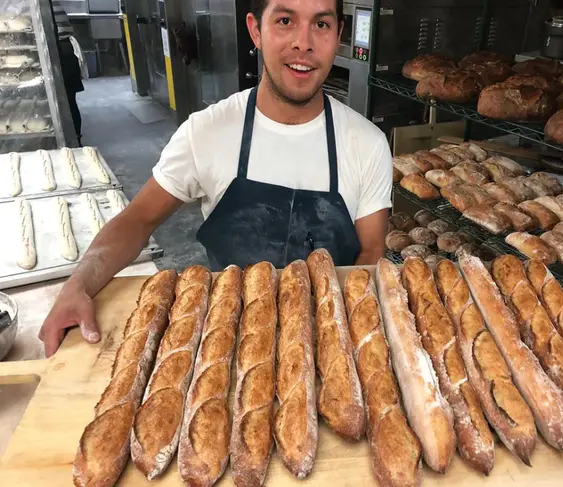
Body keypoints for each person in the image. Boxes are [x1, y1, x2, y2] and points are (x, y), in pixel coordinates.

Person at [39, 0, 393, 357]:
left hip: (330, 343)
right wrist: (80, 284)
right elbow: (137, 219)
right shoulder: (207, 132)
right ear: (256, 30)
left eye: (321, 25)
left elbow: (371, 251)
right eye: (285, 20)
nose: (304, 42)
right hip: (229, 345)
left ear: (338, 35)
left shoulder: (366, 143)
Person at [50, 0, 84, 143]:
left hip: (62, 53)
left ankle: (73, 140)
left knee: (67, 101)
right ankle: (75, 139)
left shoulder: (43, 6)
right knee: (70, 100)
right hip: (66, 51)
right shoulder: (52, 3)